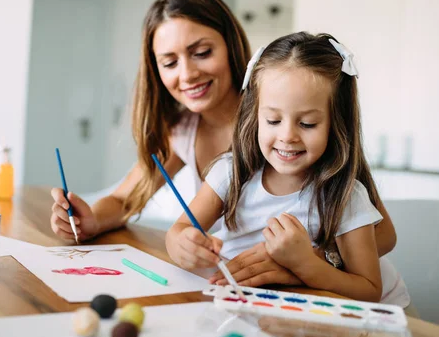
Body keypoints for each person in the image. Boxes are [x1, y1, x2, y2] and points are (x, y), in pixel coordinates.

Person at [49, 0, 397, 291]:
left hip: (324, 292)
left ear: (230, 47)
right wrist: (89, 219)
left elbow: (384, 234)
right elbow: (126, 199)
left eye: (202, 53)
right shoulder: (184, 131)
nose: (188, 73)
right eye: (169, 63)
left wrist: (307, 262)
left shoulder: (287, 108)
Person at [166, 32, 411, 308]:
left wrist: (304, 264)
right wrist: (180, 245)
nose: (287, 136)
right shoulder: (231, 172)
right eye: (272, 120)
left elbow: (368, 291)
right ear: (254, 115)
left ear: (336, 124)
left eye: (307, 124)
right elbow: (182, 229)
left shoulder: (345, 193)